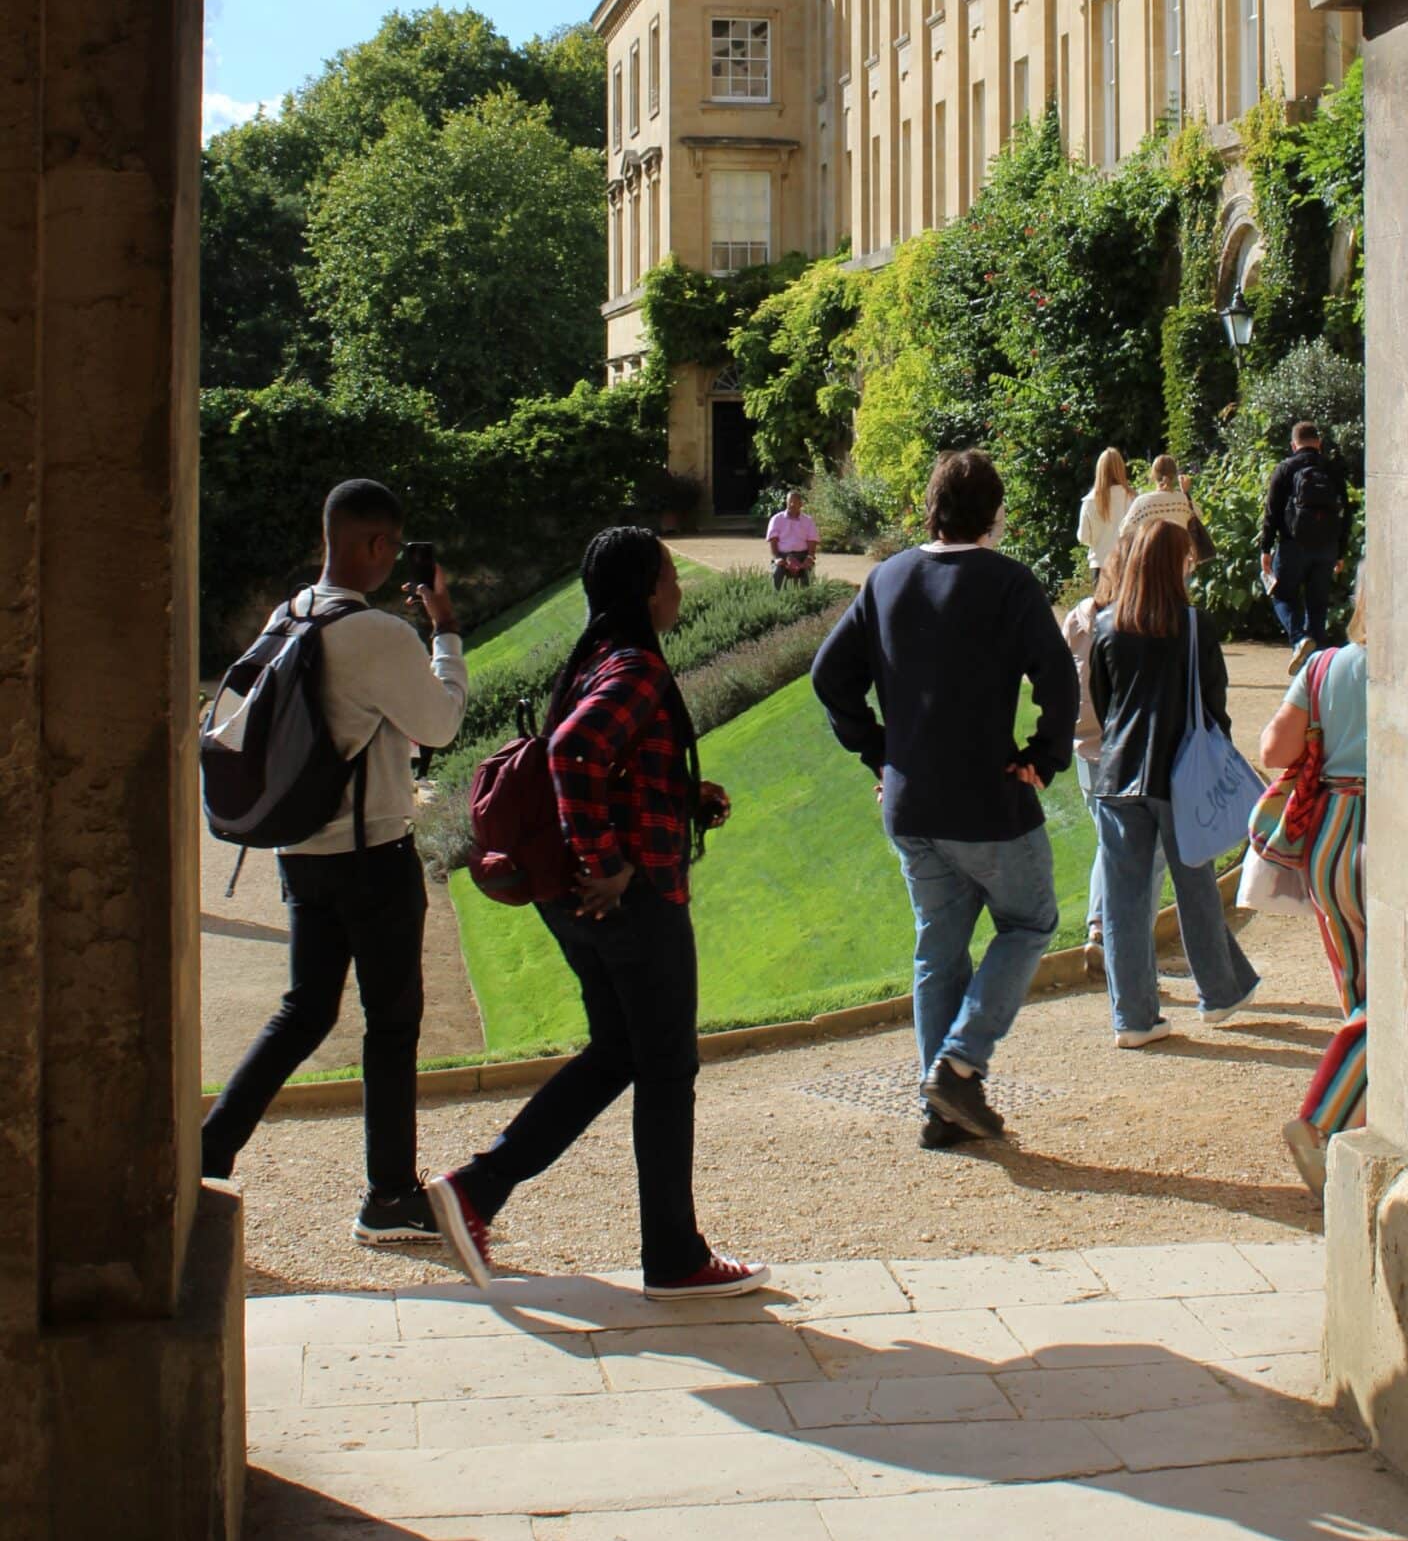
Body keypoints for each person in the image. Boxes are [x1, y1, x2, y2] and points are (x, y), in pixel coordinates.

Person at [429, 527, 767, 1300]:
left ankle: (478, 1188)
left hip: (572, 905)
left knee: (619, 1051)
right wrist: (608, 862)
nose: (678, 588)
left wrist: (684, 798)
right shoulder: (637, 667)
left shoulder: (591, 660)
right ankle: (674, 1258)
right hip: (632, 900)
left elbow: (604, 765)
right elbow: (573, 755)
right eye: (671, 575)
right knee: (667, 1068)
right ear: (648, 589)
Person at [201, 479, 468, 1244]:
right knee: (392, 1023)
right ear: (378, 546)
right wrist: (445, 633)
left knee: (305, 1010)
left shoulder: (288, 614)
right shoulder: (379, 633)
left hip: (299, 849)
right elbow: (441, 725)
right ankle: (387, 1198)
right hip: (372, 853)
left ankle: (210, 1148)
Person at [812, 448, 1079, 1146]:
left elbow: (828, 677)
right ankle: (958, 1067)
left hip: (910, 804)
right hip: (985, 800)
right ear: (993, 512)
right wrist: (1044, 757)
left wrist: (880, 751)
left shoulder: (887, 578)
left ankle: (939, 1111)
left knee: (939, 951)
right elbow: (1059, 679)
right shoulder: (1009, 584)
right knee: (1029, 923)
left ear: (929, 505)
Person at [1089, 516, 1261, 1044]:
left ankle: (1134, 1017)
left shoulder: (1107, 625)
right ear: (1175, 565)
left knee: (1124, 902)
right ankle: (1219, 992)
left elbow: (1103, 702)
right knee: (1196, 887)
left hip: (1119, 775)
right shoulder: (1194, 625)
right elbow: (1214, 704)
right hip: (1180, 774)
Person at [1258, 561, 1369, 1197]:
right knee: (1393, 1003)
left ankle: (1355, 1122)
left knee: (1360, 993)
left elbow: (1275, 750)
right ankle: (1323, 1121)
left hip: (1328, 835)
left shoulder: (1325, 665)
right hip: (1389, 831)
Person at [1062, 527, 1163, 979]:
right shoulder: (1134, 625)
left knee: (1110, 843)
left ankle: (1103, 931)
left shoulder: (1078, 619)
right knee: (1142, 852)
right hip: (1123, 750)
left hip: (1086, 744)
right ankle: (1123, 943)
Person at [1260, 421, 1351, 674]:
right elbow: (1346, 512)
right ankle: (1318, 676)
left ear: (1293, 445)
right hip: (1327, 548)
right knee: (1318, 606)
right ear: (1318, 443)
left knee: (1281, 595)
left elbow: (1272, 512)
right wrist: (1340, 551)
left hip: (1293, 546)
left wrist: (1265, 549)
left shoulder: (1285, 469)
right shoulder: (1332, 469)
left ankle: (1299, 639)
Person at [1120, 454, 1215, 566]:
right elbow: (1198, 518)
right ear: (1175, 475)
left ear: (1153, 475)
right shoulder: (1183, 501)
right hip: (1181, 562)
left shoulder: (1142, 502)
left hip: (1151, 564)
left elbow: (1125, 530)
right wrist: (1185, 492)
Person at [1076, 446, 1134, 574]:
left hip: (1100, 564)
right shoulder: (1133, 498)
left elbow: (1083, 537)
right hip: (1127, 562)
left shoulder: (1090, 501)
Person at [765, 487, 819, 589]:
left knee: (808, 573)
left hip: (802, 556)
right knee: (778, 572)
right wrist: (777, 558)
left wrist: (810, 557)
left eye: (795, 502)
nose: (792, 504)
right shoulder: (776, 519)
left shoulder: (808, 520)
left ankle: (807, 600)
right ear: (786, 502)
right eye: (790, 502)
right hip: (783, 556)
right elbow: (773, 541)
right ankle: (778, 600)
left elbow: (812, 541)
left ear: (801, 504)